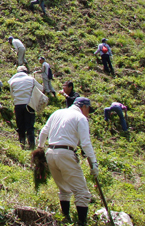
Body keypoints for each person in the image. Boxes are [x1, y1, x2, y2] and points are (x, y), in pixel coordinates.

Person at [36, 97, 100, 226]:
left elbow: (43, 132)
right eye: (88, 110)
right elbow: (86, 143)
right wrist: (93, 163)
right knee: (82, 192)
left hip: (50, 153)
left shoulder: (57, 113)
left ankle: (66, 218)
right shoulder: (80, 117)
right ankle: (81, 222)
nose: (88, 114)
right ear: (84, 107)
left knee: (64, 189)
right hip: (65, 153)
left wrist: (40, 148)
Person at [9, 66, 38, 149]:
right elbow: (40, 89)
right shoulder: (31, 79)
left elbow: (12, 95)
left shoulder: (13, 81)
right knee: (30, 126)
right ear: (26, 72)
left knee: (20, 126)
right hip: (29, 104)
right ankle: (32, 145)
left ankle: (22, 144)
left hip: (18, 105)